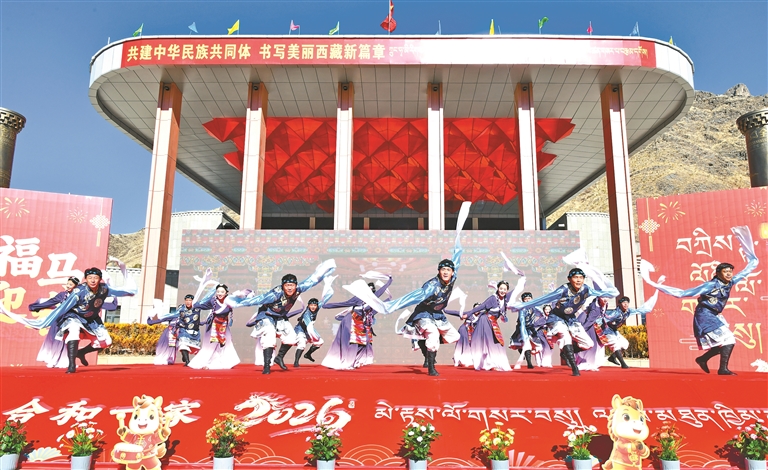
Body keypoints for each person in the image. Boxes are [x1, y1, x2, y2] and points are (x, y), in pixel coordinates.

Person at [342, 201, 471, 376]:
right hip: (424, 313)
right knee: (433, 335)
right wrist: (389, 307)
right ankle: (431, 367)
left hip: (438, 314)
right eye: (443, 270)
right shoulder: (431, 287)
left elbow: (457, 256)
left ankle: (425, 345)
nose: (446, 272)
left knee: (454, 337)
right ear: (439, 271)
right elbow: (411, 297)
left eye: (449, 270)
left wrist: (458, 233)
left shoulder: (453, 276)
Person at [640, 225, 758, 376]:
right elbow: (684, 293)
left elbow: (745, 271)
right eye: (725, 271)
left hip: (714, 315)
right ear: (718, 273)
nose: (729, 274)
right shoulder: (710, 285)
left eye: (730, 271)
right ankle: (722, 369)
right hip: (705, 315)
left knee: (721, 343)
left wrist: (753, 261)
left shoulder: (730, 282)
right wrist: (658, 285)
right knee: (729, 339)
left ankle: (703, 359)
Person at [1, 266, 137, 373]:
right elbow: (63, 308)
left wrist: (129, 287)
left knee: (106, 342)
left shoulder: (104, 289)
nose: (93, 280)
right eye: (90, 278)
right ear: (86, 279)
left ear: (100, 279)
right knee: (74, 330)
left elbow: (123, 292)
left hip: (92, 320)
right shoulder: (78, 292)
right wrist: (44, 320)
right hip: (74, 317)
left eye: (96, 278)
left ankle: (81, 353)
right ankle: (71, 364)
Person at [509, 256, 619, 376]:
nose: (578, 280)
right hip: (556, 318)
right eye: (575, 277)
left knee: (589, 344)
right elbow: (542, 299)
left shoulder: (586, 289)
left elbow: (604, 292)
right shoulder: (563, 290)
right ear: (569, 279)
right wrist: (522, 306)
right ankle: (574, 369)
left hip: (571, 319)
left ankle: (566, 352)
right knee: (566, 337)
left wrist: (607, 286)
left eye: (581, 278)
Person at [238, 259, 336, 374]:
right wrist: (237, 302)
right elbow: (257, 300)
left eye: (292, 285)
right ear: (283, 286)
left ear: (296, 285)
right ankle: (267, 366)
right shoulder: (275, 294)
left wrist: (325, 268)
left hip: (280, 317)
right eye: (287, 285)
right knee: (269, 336)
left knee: (292, 338)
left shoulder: (298, 289)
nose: (290, 288)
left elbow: (311, 280)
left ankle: (279, 357)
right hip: (266, 315)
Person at [445, 277, 526, 371]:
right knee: (490, 343)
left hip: (493, 323)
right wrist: (468, 314)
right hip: (485, 321)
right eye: (501, 288)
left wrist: (522, 280)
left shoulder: (506, 298)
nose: (502, 291)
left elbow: (517, 290)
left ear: (507, 291)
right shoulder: (492, 299)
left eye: (504, 289)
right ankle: (490, 364)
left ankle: (495, 363)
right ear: (497, 289)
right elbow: (480, 307)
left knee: (498, 343)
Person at [321, 273, 392, 370]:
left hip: (361, 324)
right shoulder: (359, 298)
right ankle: (346, 362)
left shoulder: (373, 299)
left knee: (364, 342)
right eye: (369, 289)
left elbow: (381, 292)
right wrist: (327, 306)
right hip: (351, 321)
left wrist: (389, 281)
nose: (371, 291)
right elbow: (344, 303)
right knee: (352, 342)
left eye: (373, 290)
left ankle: (355, 361)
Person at [27, 277, 80, 369]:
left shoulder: (78, 296)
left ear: (76, 286)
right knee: (56, 340)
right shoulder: (62, 295)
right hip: (59, 320)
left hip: (72, 321)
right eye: (67, 284)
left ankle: (67, 361)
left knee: (68, 341)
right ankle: (52, 360)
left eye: (71, 285)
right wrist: (36, 307)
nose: (68, 286)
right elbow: (51, 302)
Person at [594, 293, 658, 369]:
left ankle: (612, 357)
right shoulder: (615, 313)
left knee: (625, 344)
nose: (626, 304)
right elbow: (603, 319)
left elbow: (638, 310)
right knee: (616, 345)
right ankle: (623, 364)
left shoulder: (628, 311)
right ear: (619, 304)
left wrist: (648, 307)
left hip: (614, 332)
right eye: (623, 302)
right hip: (606, 332)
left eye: (627, 302)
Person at [147, 294, 203, 366]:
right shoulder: (178, 313)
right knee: (182, 345)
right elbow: (165, 318)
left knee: (191, 347)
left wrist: (205, 322)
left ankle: (185, 356)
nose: (188, 302)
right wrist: (152, 322)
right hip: (178, 333)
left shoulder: (196, 309)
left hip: (191, 333)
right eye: (187, 300)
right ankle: (187, 361)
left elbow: (197, 322)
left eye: (190, 300)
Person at [293, 276, 336, 367]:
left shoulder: (317, 307)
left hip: (308, 331)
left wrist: (328, 285)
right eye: (311, 305)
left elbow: (327, 296)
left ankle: (307, 354)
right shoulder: (307, 314)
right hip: (300, 330)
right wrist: (316, 336)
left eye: (314, 305)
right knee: (302, 344)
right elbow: (309, 327)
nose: (313, 307)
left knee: (320, 342)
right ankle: (296, 362)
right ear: (308, 306)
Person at [509, 292, 538, 369]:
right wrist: (521, 330)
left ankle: (529, 362)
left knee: (528, 344)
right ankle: (526, 358)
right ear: (523, 300)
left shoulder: (534, 307)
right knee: (520, 344)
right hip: (522, 328)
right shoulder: (522, 309)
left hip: (530, 328)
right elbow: (521, 321)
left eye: (529, 298)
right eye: (526, 299)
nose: (528, 300)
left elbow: (540, 313)